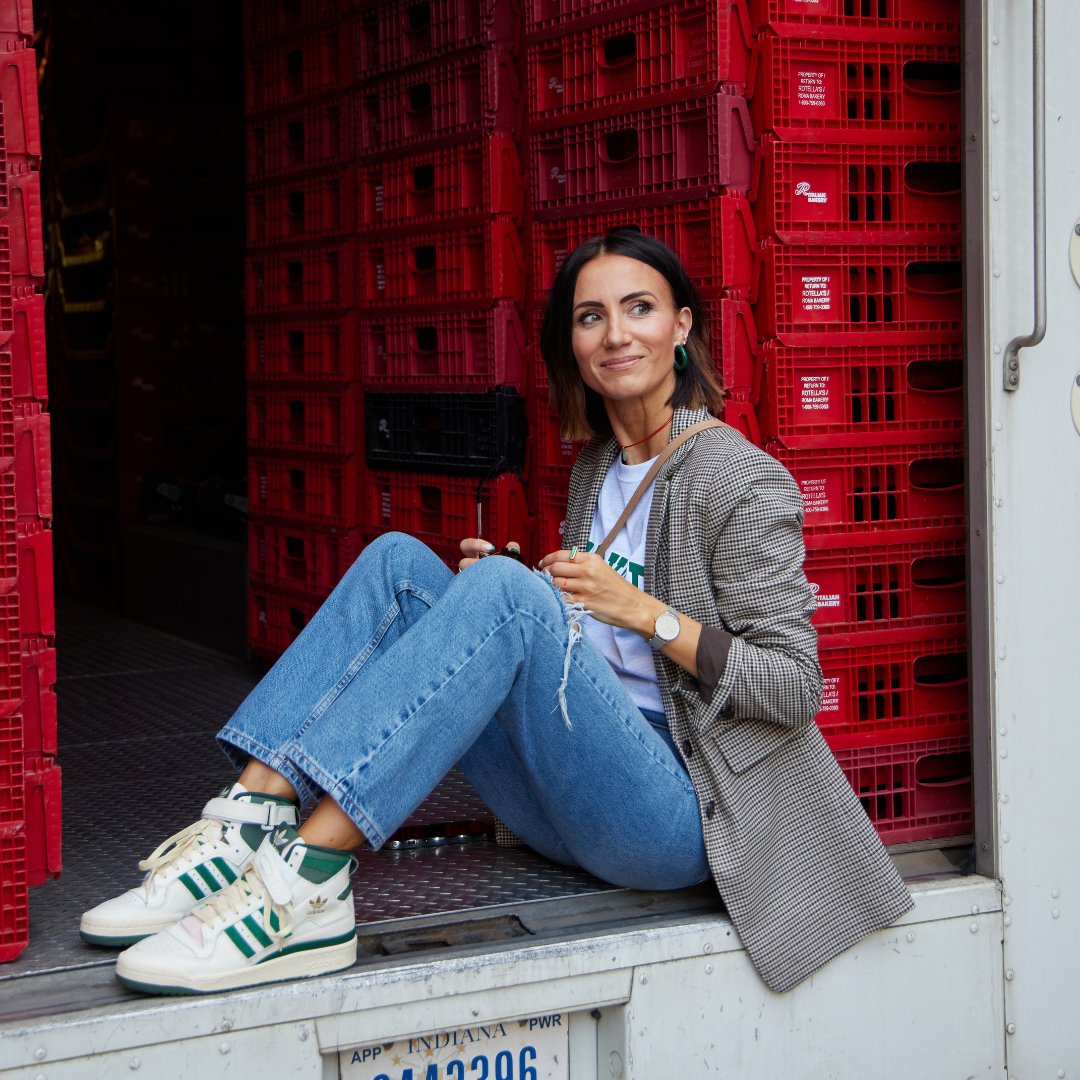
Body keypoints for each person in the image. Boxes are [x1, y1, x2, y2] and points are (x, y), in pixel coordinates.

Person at [81, 230, 912, 997]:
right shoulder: (597, 469)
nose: (616, 334)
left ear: (681, 327)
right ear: (572, 345)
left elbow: (795, 685)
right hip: (568, 801)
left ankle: (306, 882)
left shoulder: (738, 477)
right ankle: (250, 818)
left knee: (504, 599)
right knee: (402, 564)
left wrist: (644, 613)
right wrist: (534, 601)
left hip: (679, 816)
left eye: (640, 308)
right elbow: (592, 662)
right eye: (591, 317)